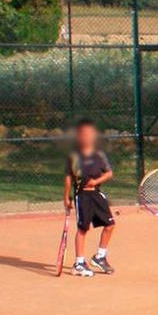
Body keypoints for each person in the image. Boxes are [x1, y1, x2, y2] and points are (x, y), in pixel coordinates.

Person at [63, 118, 116, 277]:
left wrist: (96, 181)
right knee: (83, 229)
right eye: (83, 134)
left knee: (110, 224)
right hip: (82, 196)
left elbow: (109, 173)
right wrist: (66, 198)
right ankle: (79, 263)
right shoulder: (73, 156)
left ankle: (100, 257)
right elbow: (67, 178)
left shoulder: (99, 155)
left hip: (96, 194)